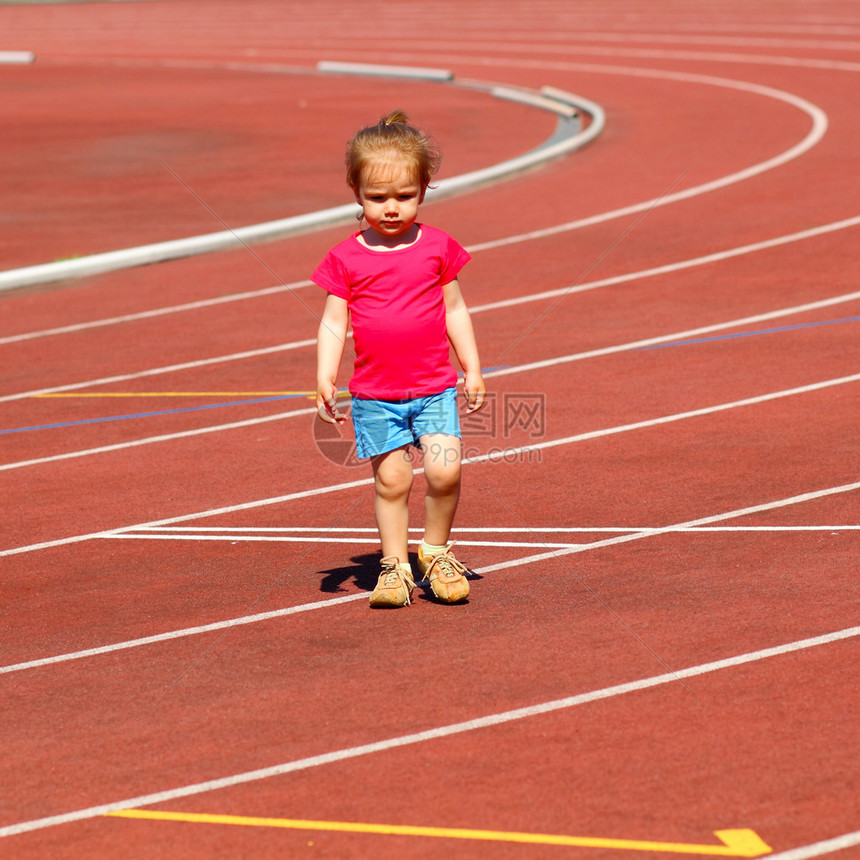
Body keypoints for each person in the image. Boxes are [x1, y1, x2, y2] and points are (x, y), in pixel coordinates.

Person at [313, 110, 486, 608]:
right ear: (355, 191)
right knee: (393, 480)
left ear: (425, 188)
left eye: (404, 197)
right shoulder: (346, 258)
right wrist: (325, 375)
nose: (391, 208)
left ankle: (434, 552)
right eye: (377, 198)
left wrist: (472, 367)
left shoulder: (437, 247)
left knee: (445, 470)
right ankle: (395, 567)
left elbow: (455, 309)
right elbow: (333, 322)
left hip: (433, 386)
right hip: (375, 394)